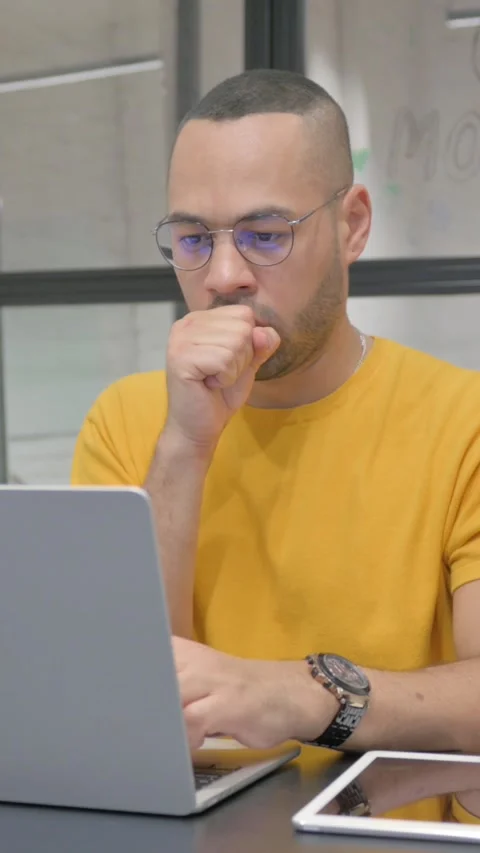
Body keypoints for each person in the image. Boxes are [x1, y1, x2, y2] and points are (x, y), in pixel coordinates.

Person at [72, 68, 480, 757]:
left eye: (265, 233)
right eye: (194, 238)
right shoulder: (125, 419)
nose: (224, 275)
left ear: (352, 226)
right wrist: (183, 447)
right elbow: (112, 699)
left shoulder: (460, 419)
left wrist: (301, 694)